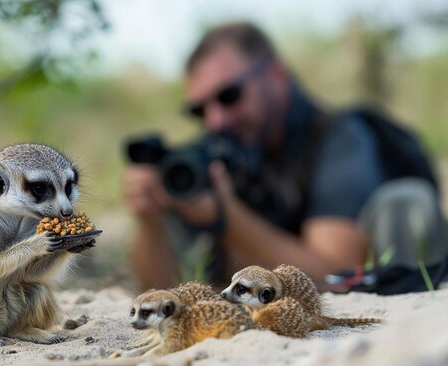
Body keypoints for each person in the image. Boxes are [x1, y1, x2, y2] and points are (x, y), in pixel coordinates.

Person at [123, 22, 447, 293]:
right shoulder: (210, 158)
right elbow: (162, 293)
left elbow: (335, 274)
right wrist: (149, 219)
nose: (216, 120)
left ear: (276, 77)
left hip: (377, 312)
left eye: (229, 96)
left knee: (406, 202)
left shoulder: (340, 139)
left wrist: (227, 217)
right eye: (199, 110)